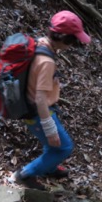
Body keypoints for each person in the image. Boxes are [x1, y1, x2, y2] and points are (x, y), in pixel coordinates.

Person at [12, 11, 91, 190]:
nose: (72, 46)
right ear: (62, 37)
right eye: (72, 41)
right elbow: (40, 98)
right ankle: (25, 174)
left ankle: (50, 168)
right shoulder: (47, 62)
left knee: (53, 145)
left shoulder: (40, 44)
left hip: (34, 108)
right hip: (38, 112)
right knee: (64, 147)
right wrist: (49, 128)